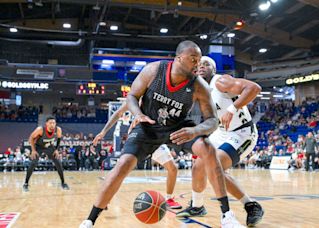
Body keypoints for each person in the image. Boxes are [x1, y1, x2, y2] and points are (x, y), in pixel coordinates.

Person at [80, 40, 243, 228]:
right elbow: (132, 96)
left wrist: (195, 130)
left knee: (207, 148)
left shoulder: (199, 85)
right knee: (123, 164)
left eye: (199, 60)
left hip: (179, 128)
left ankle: (227, 216)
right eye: (193, 59)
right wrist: (139, 114)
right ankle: (90, 220)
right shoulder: (154, 71)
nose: (197, 64)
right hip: (148, 126)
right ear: (178, 58)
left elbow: (212, 120)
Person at [176, 56, 264, 226]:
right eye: (199, 65)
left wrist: (232, 109)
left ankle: (251, 205)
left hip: (242, 132)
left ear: (213, 70)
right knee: (198, 166)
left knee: (215, 168)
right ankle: (197, 206)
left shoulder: (220, 81)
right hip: (222, 132)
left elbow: (254, 88)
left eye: (206, 64)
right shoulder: (199, 89)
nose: (201, 66)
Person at [92, 102, 182, 209]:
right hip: (139, 139)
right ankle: (105, 198)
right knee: (121, 171)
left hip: (156, 140)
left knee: (173, 168)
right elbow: (118, 112)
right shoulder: (134, 98)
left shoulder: (158, 96)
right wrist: (103, 132)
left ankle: (169, 199)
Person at [23, 116, 69, 191]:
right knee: (33, 163)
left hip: (49, 147)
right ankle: (25, 184)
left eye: (54, 123)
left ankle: (63, 183)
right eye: (50, 123)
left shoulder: (58, 129)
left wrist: (56, 149)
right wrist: (33, 150)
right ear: (46, 124)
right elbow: (31, 138)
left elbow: (59, 139)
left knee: (58, 163)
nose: (52, 125)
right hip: (39, 147)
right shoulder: (40, 130)